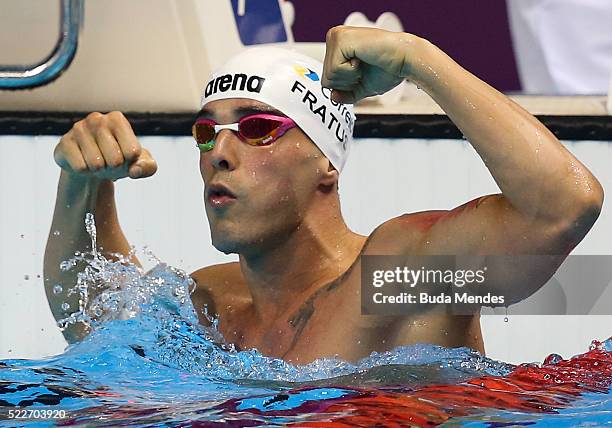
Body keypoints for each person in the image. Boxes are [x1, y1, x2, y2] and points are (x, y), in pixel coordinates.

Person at [44, 26, 603, 364]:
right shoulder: (210, 304)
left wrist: (419, 60)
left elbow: (562, 206)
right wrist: (83, 185)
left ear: (326, 166)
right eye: (206, 132)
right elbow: (90, 318)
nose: (218, 152)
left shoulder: (396, 283)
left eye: (258, 128)